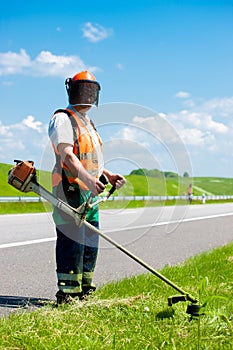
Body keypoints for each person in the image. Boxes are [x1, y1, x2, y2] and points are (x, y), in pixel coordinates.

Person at [48, 70, 126, 304]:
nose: (88, 95)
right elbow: (67, 157)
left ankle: (84, 291)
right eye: (84, 89)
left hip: (89, 192)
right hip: (69, 189)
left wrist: (107, 175)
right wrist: (89, 180)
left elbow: (90, 159)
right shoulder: (63, 119)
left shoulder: (88, 124)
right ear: (72, 90)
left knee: (90, 242)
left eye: (91, 90)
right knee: (72, 242)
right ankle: (68, 296)